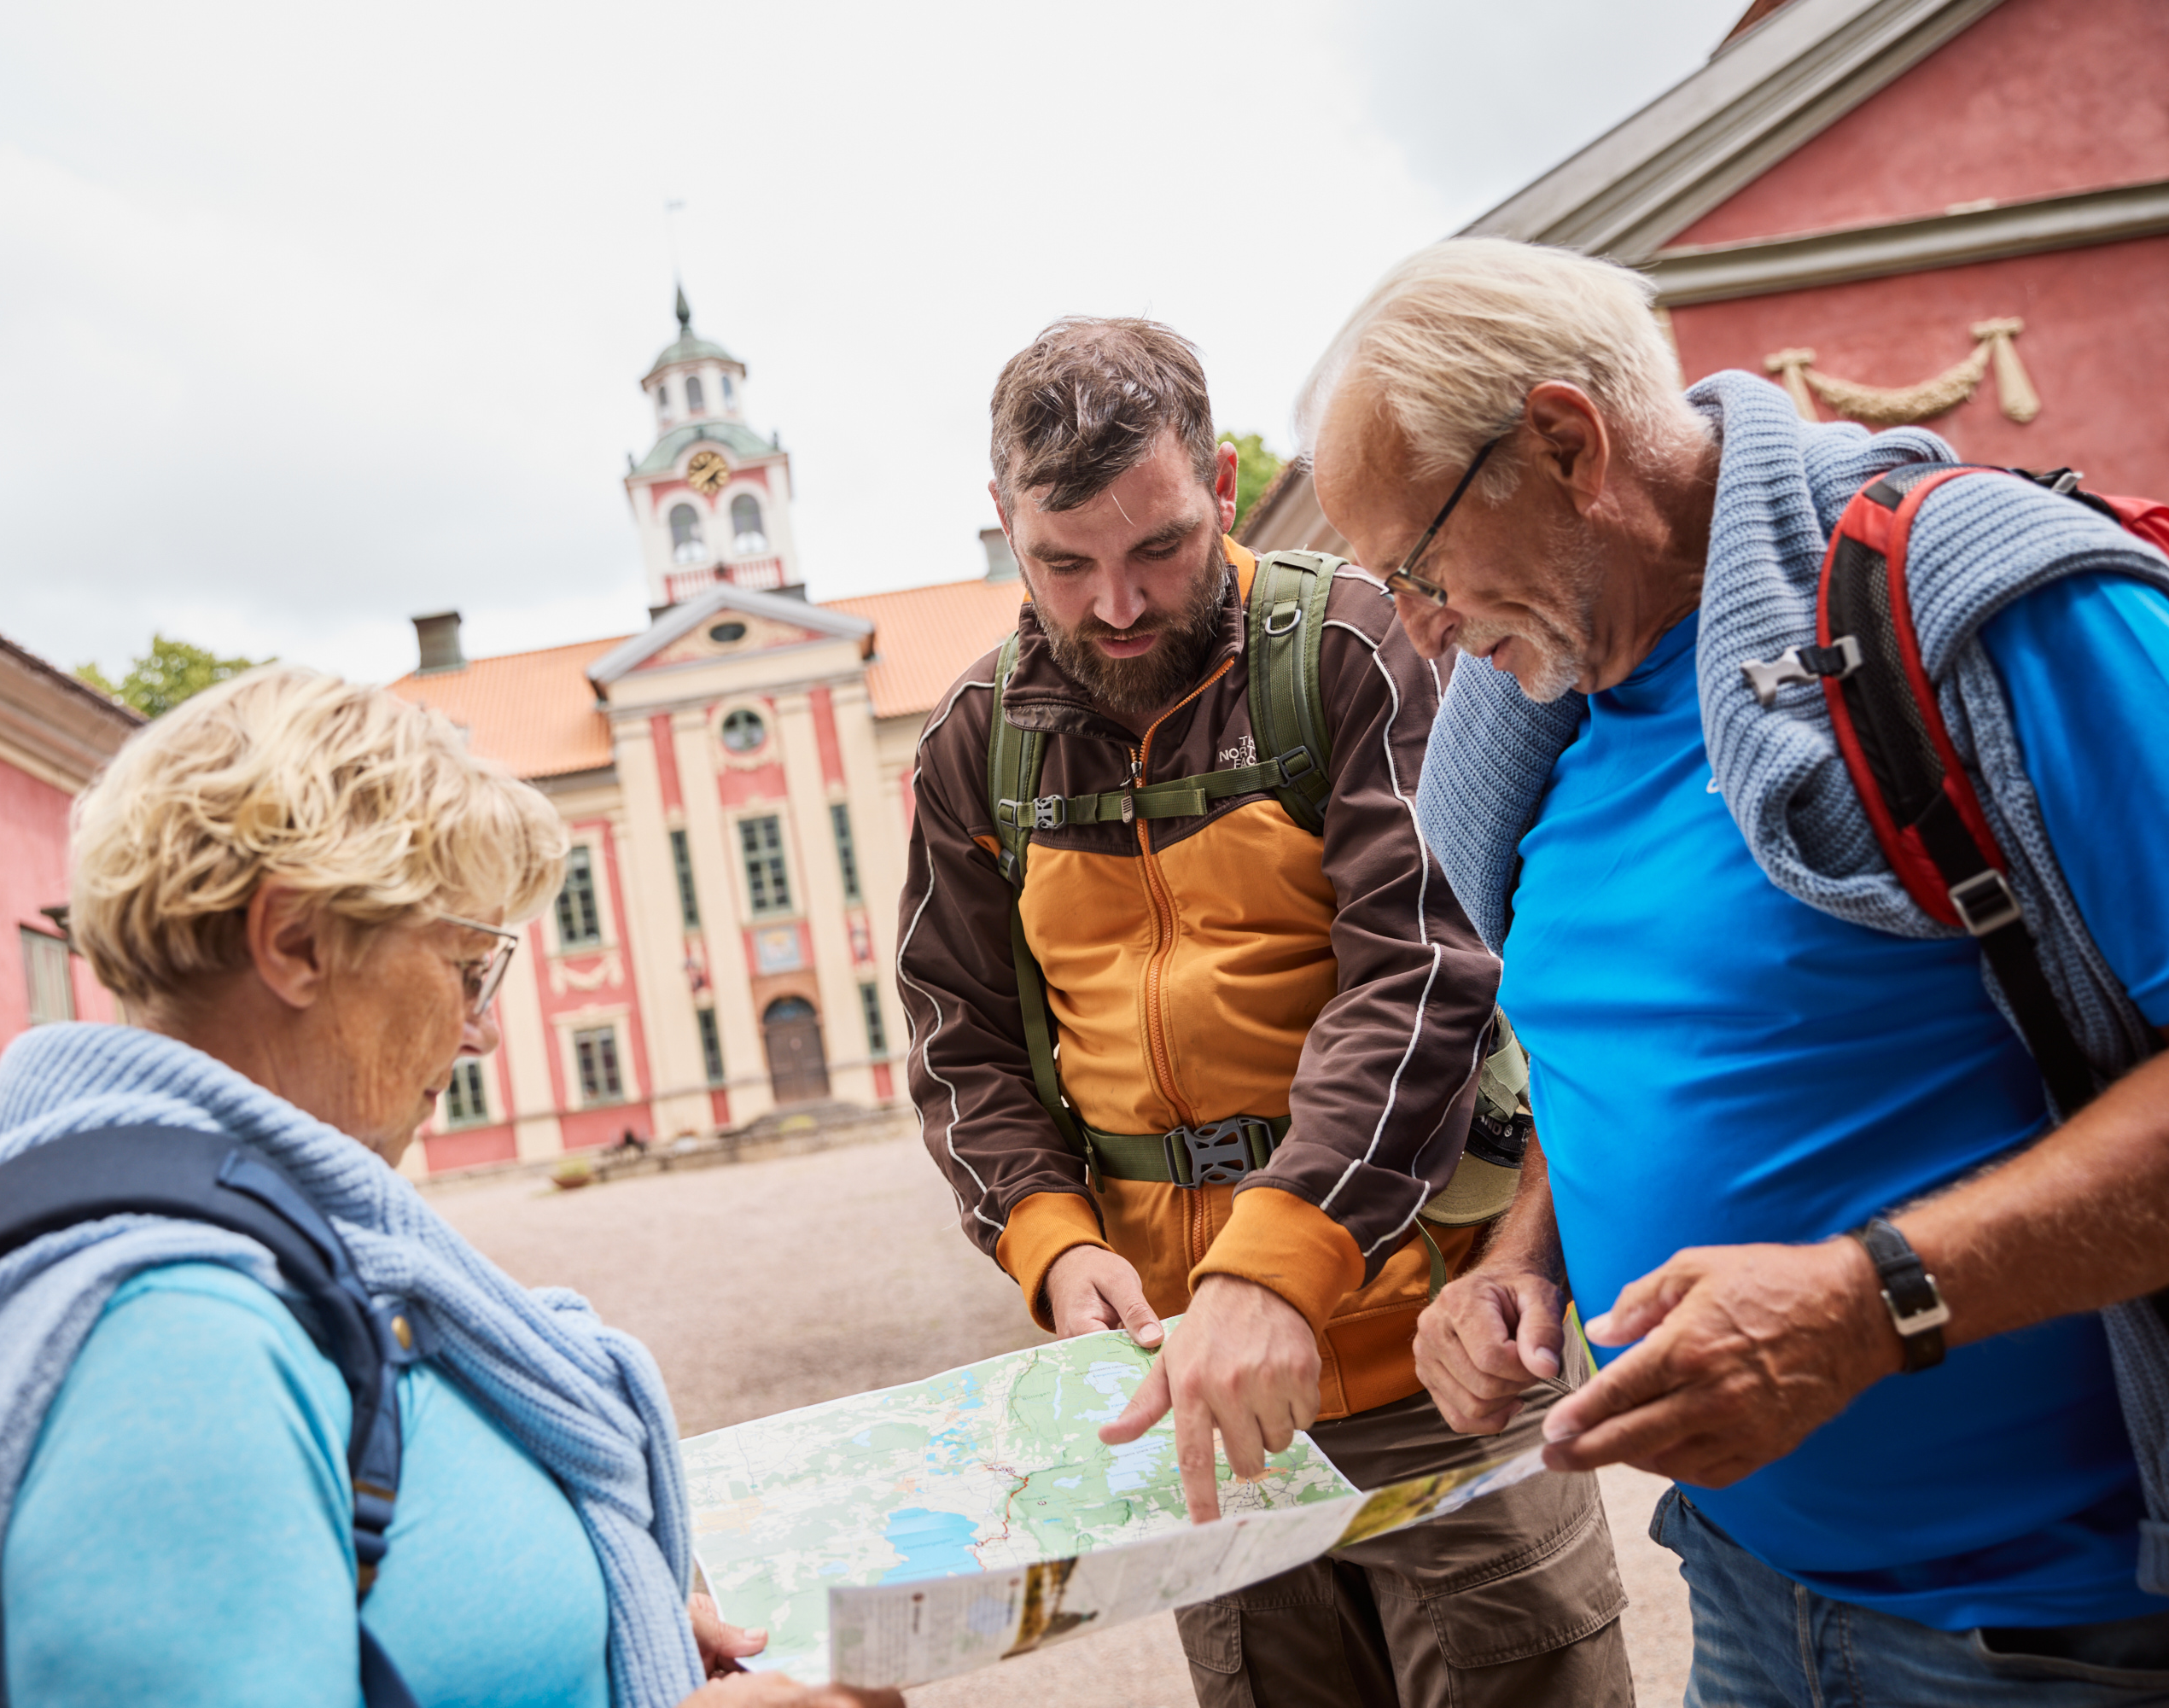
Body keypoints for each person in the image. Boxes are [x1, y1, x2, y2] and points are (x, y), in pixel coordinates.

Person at [1302, 237, 2169, 1703]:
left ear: (1566, 444)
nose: (1422, 626)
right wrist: (1524, 1264)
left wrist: (1862, 1302)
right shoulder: (1541, 732)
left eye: (1420, 564)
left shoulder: (1991, 615)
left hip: (2049, 1634)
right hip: (1748, 1594)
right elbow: (1638, 1059)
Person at [0, 667, 898, 1708]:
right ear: (294, 943)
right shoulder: (174, 1341)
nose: (482, 1029)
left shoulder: (268, 1239)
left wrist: (609, 1609)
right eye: (468, 967)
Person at [895, 318, 1633, 1708]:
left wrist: (1275, 1265)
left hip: (1439, 1372)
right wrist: (1048, 1245)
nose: (1116, 604)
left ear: (1222, 492)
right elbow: (958, 1037)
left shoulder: (1356, 655)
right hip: (1205, 1415)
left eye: (1158, 548)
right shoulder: (971, 745)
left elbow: (1423, 964)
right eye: (1066, 563)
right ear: (1004, 524)